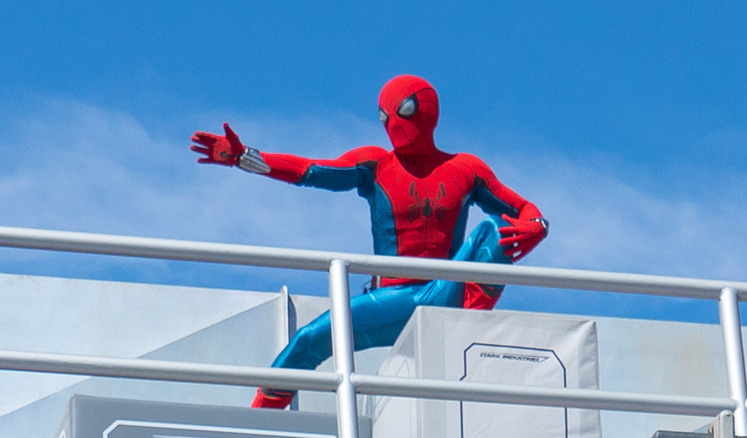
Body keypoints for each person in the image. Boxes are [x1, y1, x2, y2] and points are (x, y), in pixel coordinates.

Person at [190, 74, 548, 409]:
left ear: (427, 111)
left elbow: (521, 209)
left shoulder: (466, 169)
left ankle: (469, 330)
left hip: (447, 293)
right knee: (306, 341)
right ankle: (254, 423)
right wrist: (246, 157)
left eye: (404, 111)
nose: (393, 122)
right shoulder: (377, 164)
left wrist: (537, 225)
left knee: (489, 232)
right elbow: (312, 170)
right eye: (385, 115)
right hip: (392, 298)